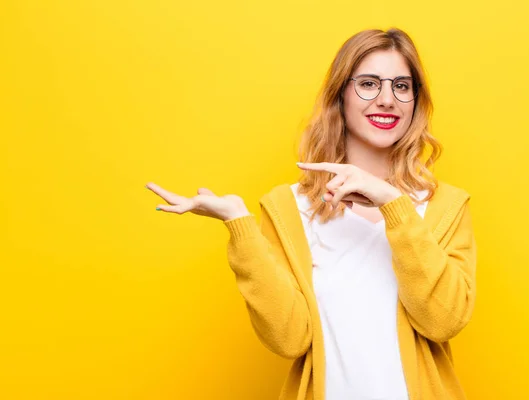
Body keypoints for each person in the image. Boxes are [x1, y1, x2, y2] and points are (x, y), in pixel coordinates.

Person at [146, 28, 476, 400]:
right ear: (340, 95)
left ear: (415, 99)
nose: (387, 99)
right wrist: (240, 226)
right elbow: (289, 339)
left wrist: (392, 205)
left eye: (402, 86)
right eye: (368, 83)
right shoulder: (288, 208)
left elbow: (444, 320)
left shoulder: (443, 206)